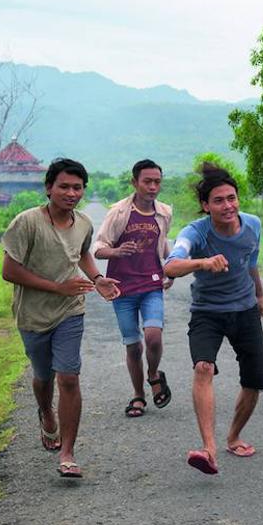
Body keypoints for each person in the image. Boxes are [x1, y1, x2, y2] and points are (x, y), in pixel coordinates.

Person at [2, 158, 120, 479]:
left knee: (68, 376)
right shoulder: (26, 223)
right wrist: (57, 287)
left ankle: (67, 453)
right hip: (33, 315)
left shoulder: (83, 223)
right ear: (49, 188)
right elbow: (9, 271)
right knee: (43, 377)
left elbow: (81, 254)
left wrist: (97, 279)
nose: (71, 193)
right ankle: (45, 411)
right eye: (64, 186)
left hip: (71, 311)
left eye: (77, 187)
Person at [163, 163, 263, 475]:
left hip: (245, 310)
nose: (228, 206)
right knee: (203, 367)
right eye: (219, 201)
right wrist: (203, 262)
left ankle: (233, 436)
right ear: (205, 206)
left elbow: (250, 262)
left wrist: (260, 296)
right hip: (207, 312)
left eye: (232, 198)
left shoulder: (252, 225)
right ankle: (208, 449)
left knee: (254, 382)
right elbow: (171, 266)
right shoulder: (194, 233)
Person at [94, 159, 175, 417]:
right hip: (122, 288)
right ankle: (138, 396)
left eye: (157, 182)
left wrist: (171, 268)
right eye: (147, 182)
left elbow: (162, 246)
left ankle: (153, 374)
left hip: (151, 284)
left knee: (153, 336)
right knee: (133, 345)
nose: (153, 187)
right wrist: (116, 251)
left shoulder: (164, 212)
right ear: (135, 183)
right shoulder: (118, 212)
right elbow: (98, 248)